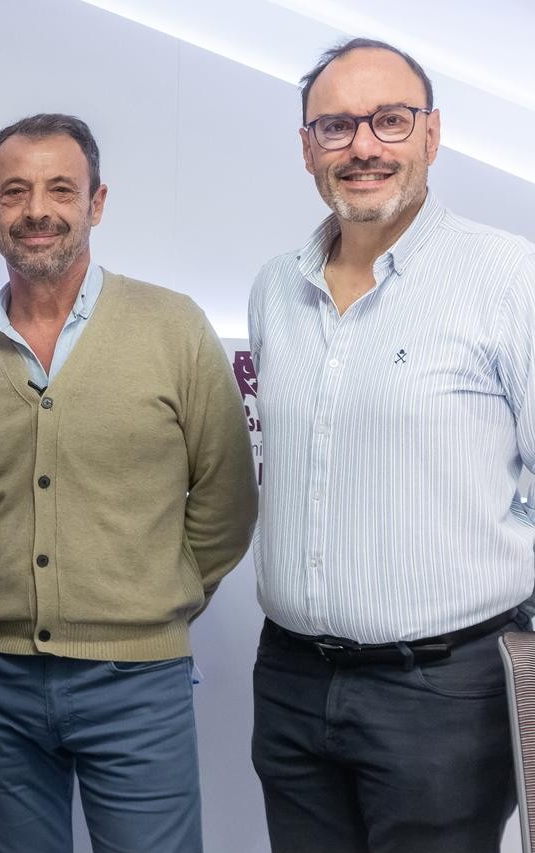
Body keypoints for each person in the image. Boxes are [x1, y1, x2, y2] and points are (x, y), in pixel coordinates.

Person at [0, 113, 256, 853]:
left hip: (138, 680)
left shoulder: (174, 329)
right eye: (15, 192)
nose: (37, 210)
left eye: (61, 189)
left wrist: (152, 596)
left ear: (97, 202)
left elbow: (228, 498)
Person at [249, 38, 535, 853]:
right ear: (308, 147)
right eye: (336, 126)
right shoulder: (275, 287)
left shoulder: (509, 278)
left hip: (444, 694)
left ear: (432, 135)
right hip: (292, 681)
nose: (363, 146)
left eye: (390, 121)